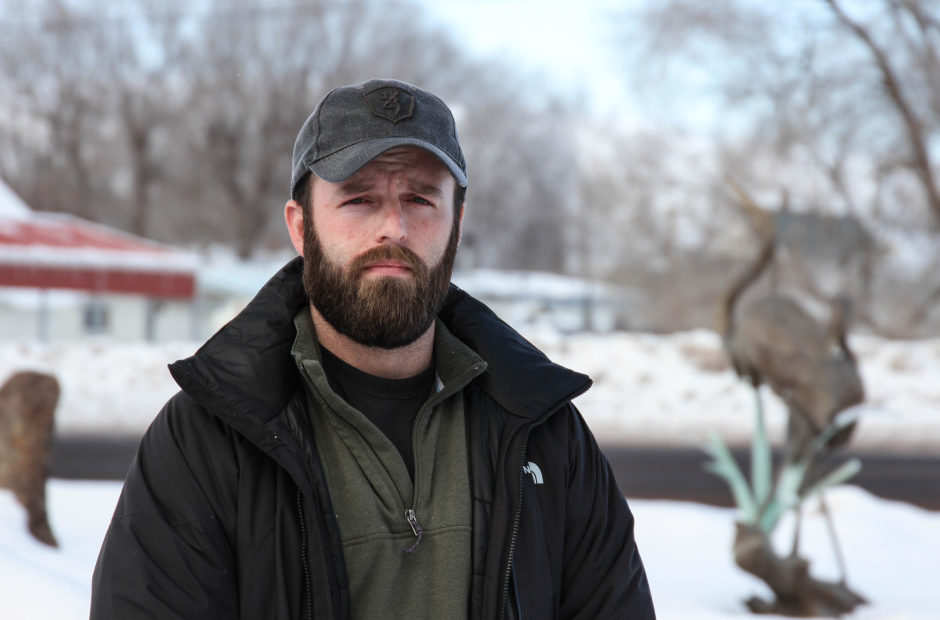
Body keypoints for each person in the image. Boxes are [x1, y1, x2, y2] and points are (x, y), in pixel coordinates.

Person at [91, 78, 655, 619]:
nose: (394, 229)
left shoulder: (546, 432)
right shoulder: (206, 440)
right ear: (301, 226)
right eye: (358, 199)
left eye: (420, 199)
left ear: (456, 223)